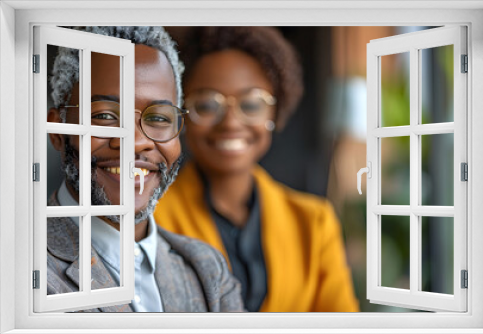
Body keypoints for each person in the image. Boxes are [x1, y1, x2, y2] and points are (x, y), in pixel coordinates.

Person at [154, 27, 359, 312]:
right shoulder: (152, 218)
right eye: (206, 104)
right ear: (182, 113)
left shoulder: (314, 223)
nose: (230, 123)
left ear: (275, 112)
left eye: (251, 103)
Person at [46, 26, 243, 312]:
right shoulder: (21, 271)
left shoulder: (207, 271)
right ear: (57, 129)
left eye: (159, 118)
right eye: (104, 115)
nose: (136, 142)